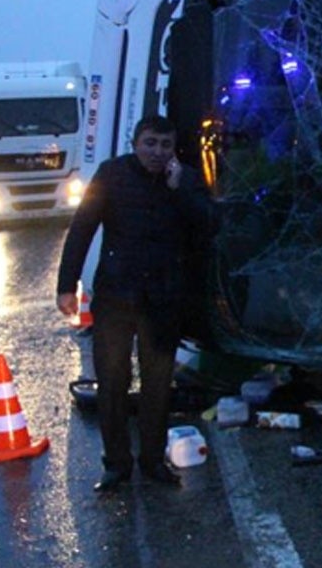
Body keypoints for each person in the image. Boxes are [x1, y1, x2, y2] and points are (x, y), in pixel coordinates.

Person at [56, 114, 219, 491]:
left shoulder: (187, 181)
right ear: (135, 143)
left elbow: (210, 225)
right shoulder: (112, 175)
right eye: (150, 143)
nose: (157, 152)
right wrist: (68, 286)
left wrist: (179, 191)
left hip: (163, 299)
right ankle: (115, 465)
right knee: (112, 382)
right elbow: (82, 227)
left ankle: (152, 461)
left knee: (158, 384)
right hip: (116, 296)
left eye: (165, 145)